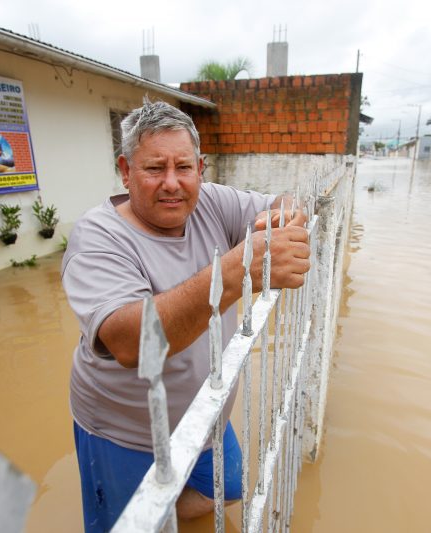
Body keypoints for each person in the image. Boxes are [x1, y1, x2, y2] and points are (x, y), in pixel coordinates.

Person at [61, 99, 310, 532]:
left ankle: (163, 516)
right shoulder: (97, 237)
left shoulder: (211, 201)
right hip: (124, 431)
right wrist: (234, 272)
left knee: (227, 489)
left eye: (184, 167)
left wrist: (285, 215)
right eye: (154, 168)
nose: (172, 184)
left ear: (201, 168)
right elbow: (129, 342)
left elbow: (281, 201)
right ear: (125, 170)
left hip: (205, 415)